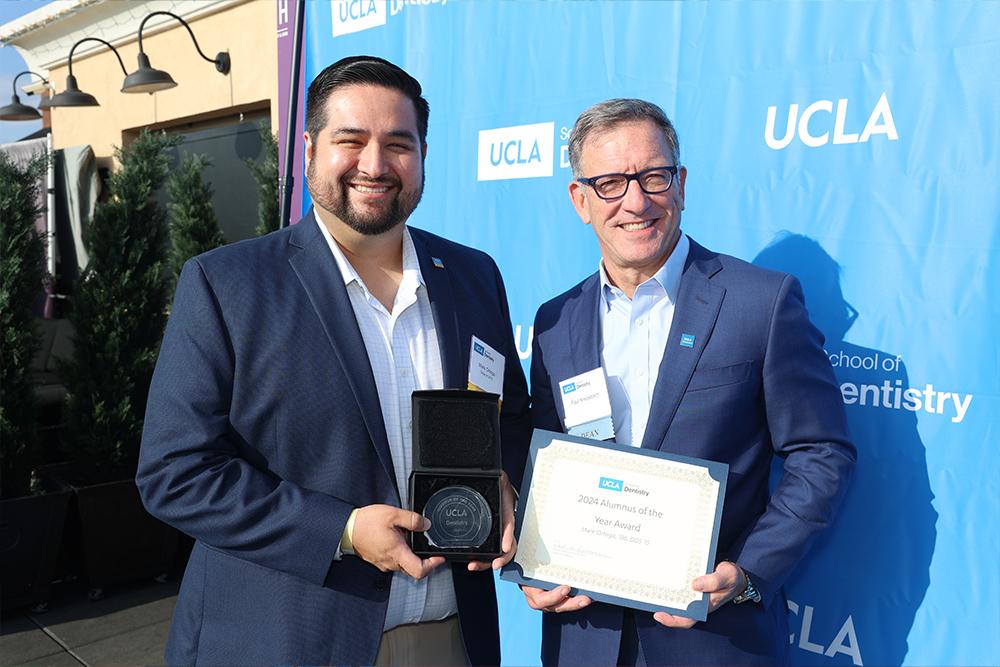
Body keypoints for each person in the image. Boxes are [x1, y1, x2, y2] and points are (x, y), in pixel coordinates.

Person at [137, 55, 530, 666]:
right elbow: (176, 473)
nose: (375, 165)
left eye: (399, 143)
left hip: (452, 636)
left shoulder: (474, 278)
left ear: (423, 153)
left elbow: (510, 417)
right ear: (310, 148)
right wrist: (341, 531)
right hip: (289, 640)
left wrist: (504, 482)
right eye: (352, 141)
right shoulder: (227, 285)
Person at [521, 98, 856, 666]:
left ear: (680, 184)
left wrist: (749, 571)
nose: (636, 201)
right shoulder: (555, 322)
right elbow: (542, 461)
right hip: (584, 640)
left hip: (715, 640)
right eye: (609, 184)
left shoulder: (761, 302)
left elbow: (821, 453)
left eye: (653, 176)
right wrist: (531, 564)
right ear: (579, 199)